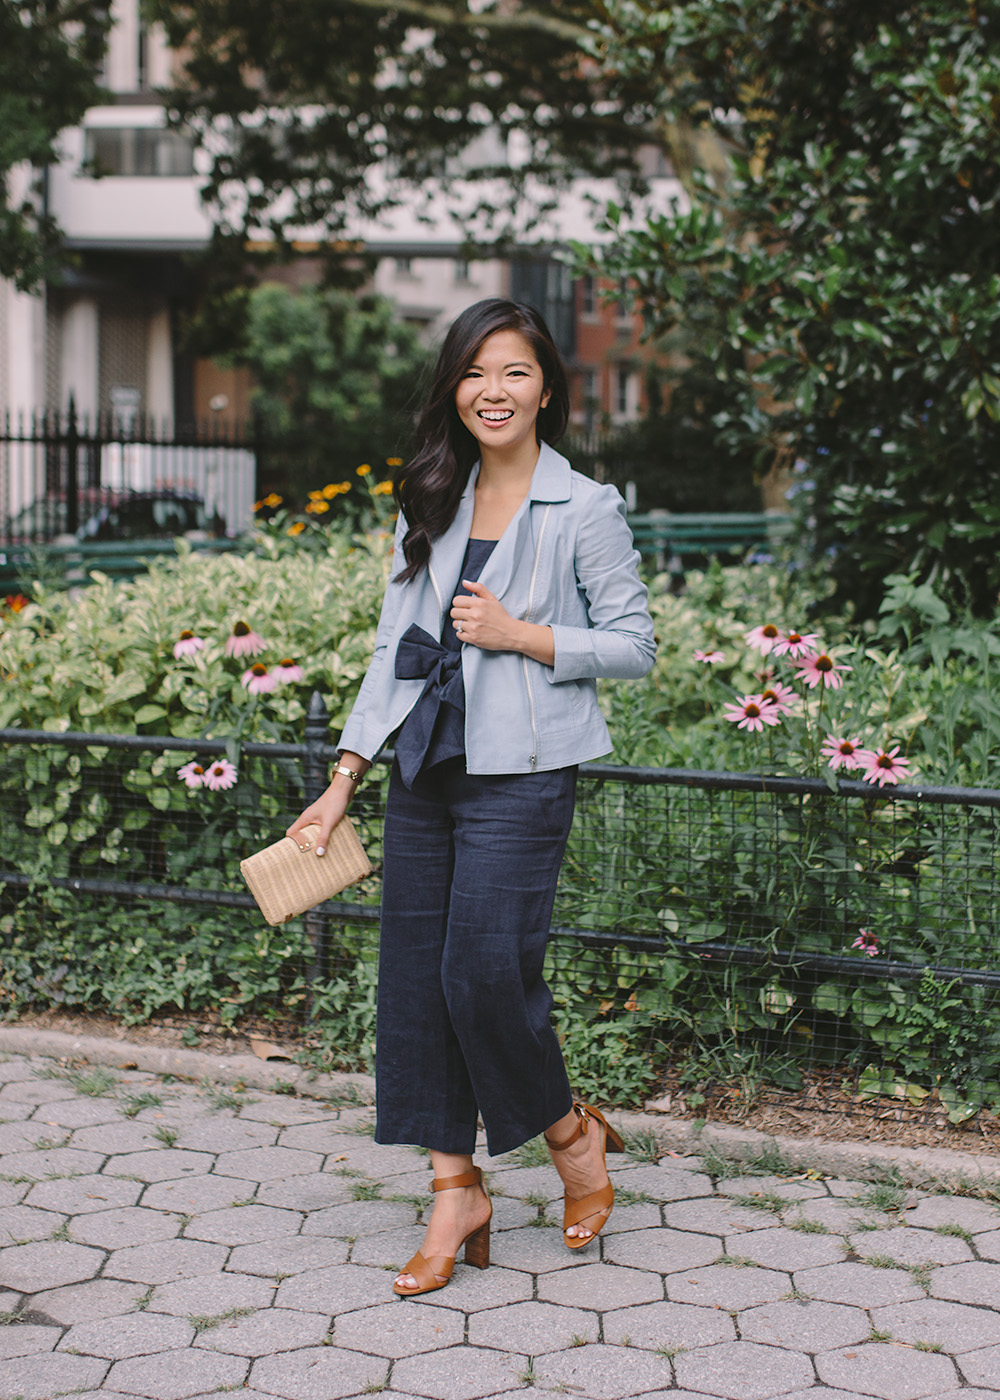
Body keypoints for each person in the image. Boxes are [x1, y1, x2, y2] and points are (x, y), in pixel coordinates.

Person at [288, 297, 656, 1298]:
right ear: (454, 387)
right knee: (414, 985)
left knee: (484, 975)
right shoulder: (432, 496)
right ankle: (455, 1188)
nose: (493, 392)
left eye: (516, 373)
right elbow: (390, 649)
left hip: (523, 772)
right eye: (474, 373)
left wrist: (523, 634)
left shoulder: (582, 507)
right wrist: (341, 781)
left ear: (546, 389)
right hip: (423, 773)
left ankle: (573, 1136)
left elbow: (634, 644)